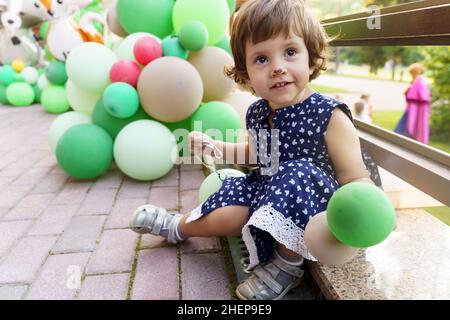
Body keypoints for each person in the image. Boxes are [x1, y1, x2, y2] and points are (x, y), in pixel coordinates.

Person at [129, 0, 380, 300]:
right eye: (261, 59)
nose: (277, 67)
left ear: (311, 59)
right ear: (245, 73)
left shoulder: (330, 115)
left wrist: (360, 216)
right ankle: (179, 226)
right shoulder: (259, 112)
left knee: (296, 171)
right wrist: (217, 147)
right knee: (231, 200)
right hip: (272, 188)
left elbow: (355, 179)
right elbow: (258, 155)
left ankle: (287, 264)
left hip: (324, 208)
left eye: (290, 52)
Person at [394, 63, 431, 144]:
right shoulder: (418, 81)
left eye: (411, 73)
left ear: (415, 72)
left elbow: (422, 97)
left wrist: (408, 92)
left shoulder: (420, 82)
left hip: (415, 109)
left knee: (406, 126)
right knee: (404, 125)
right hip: (412, 108)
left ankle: (399, 139)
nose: (411, 75)